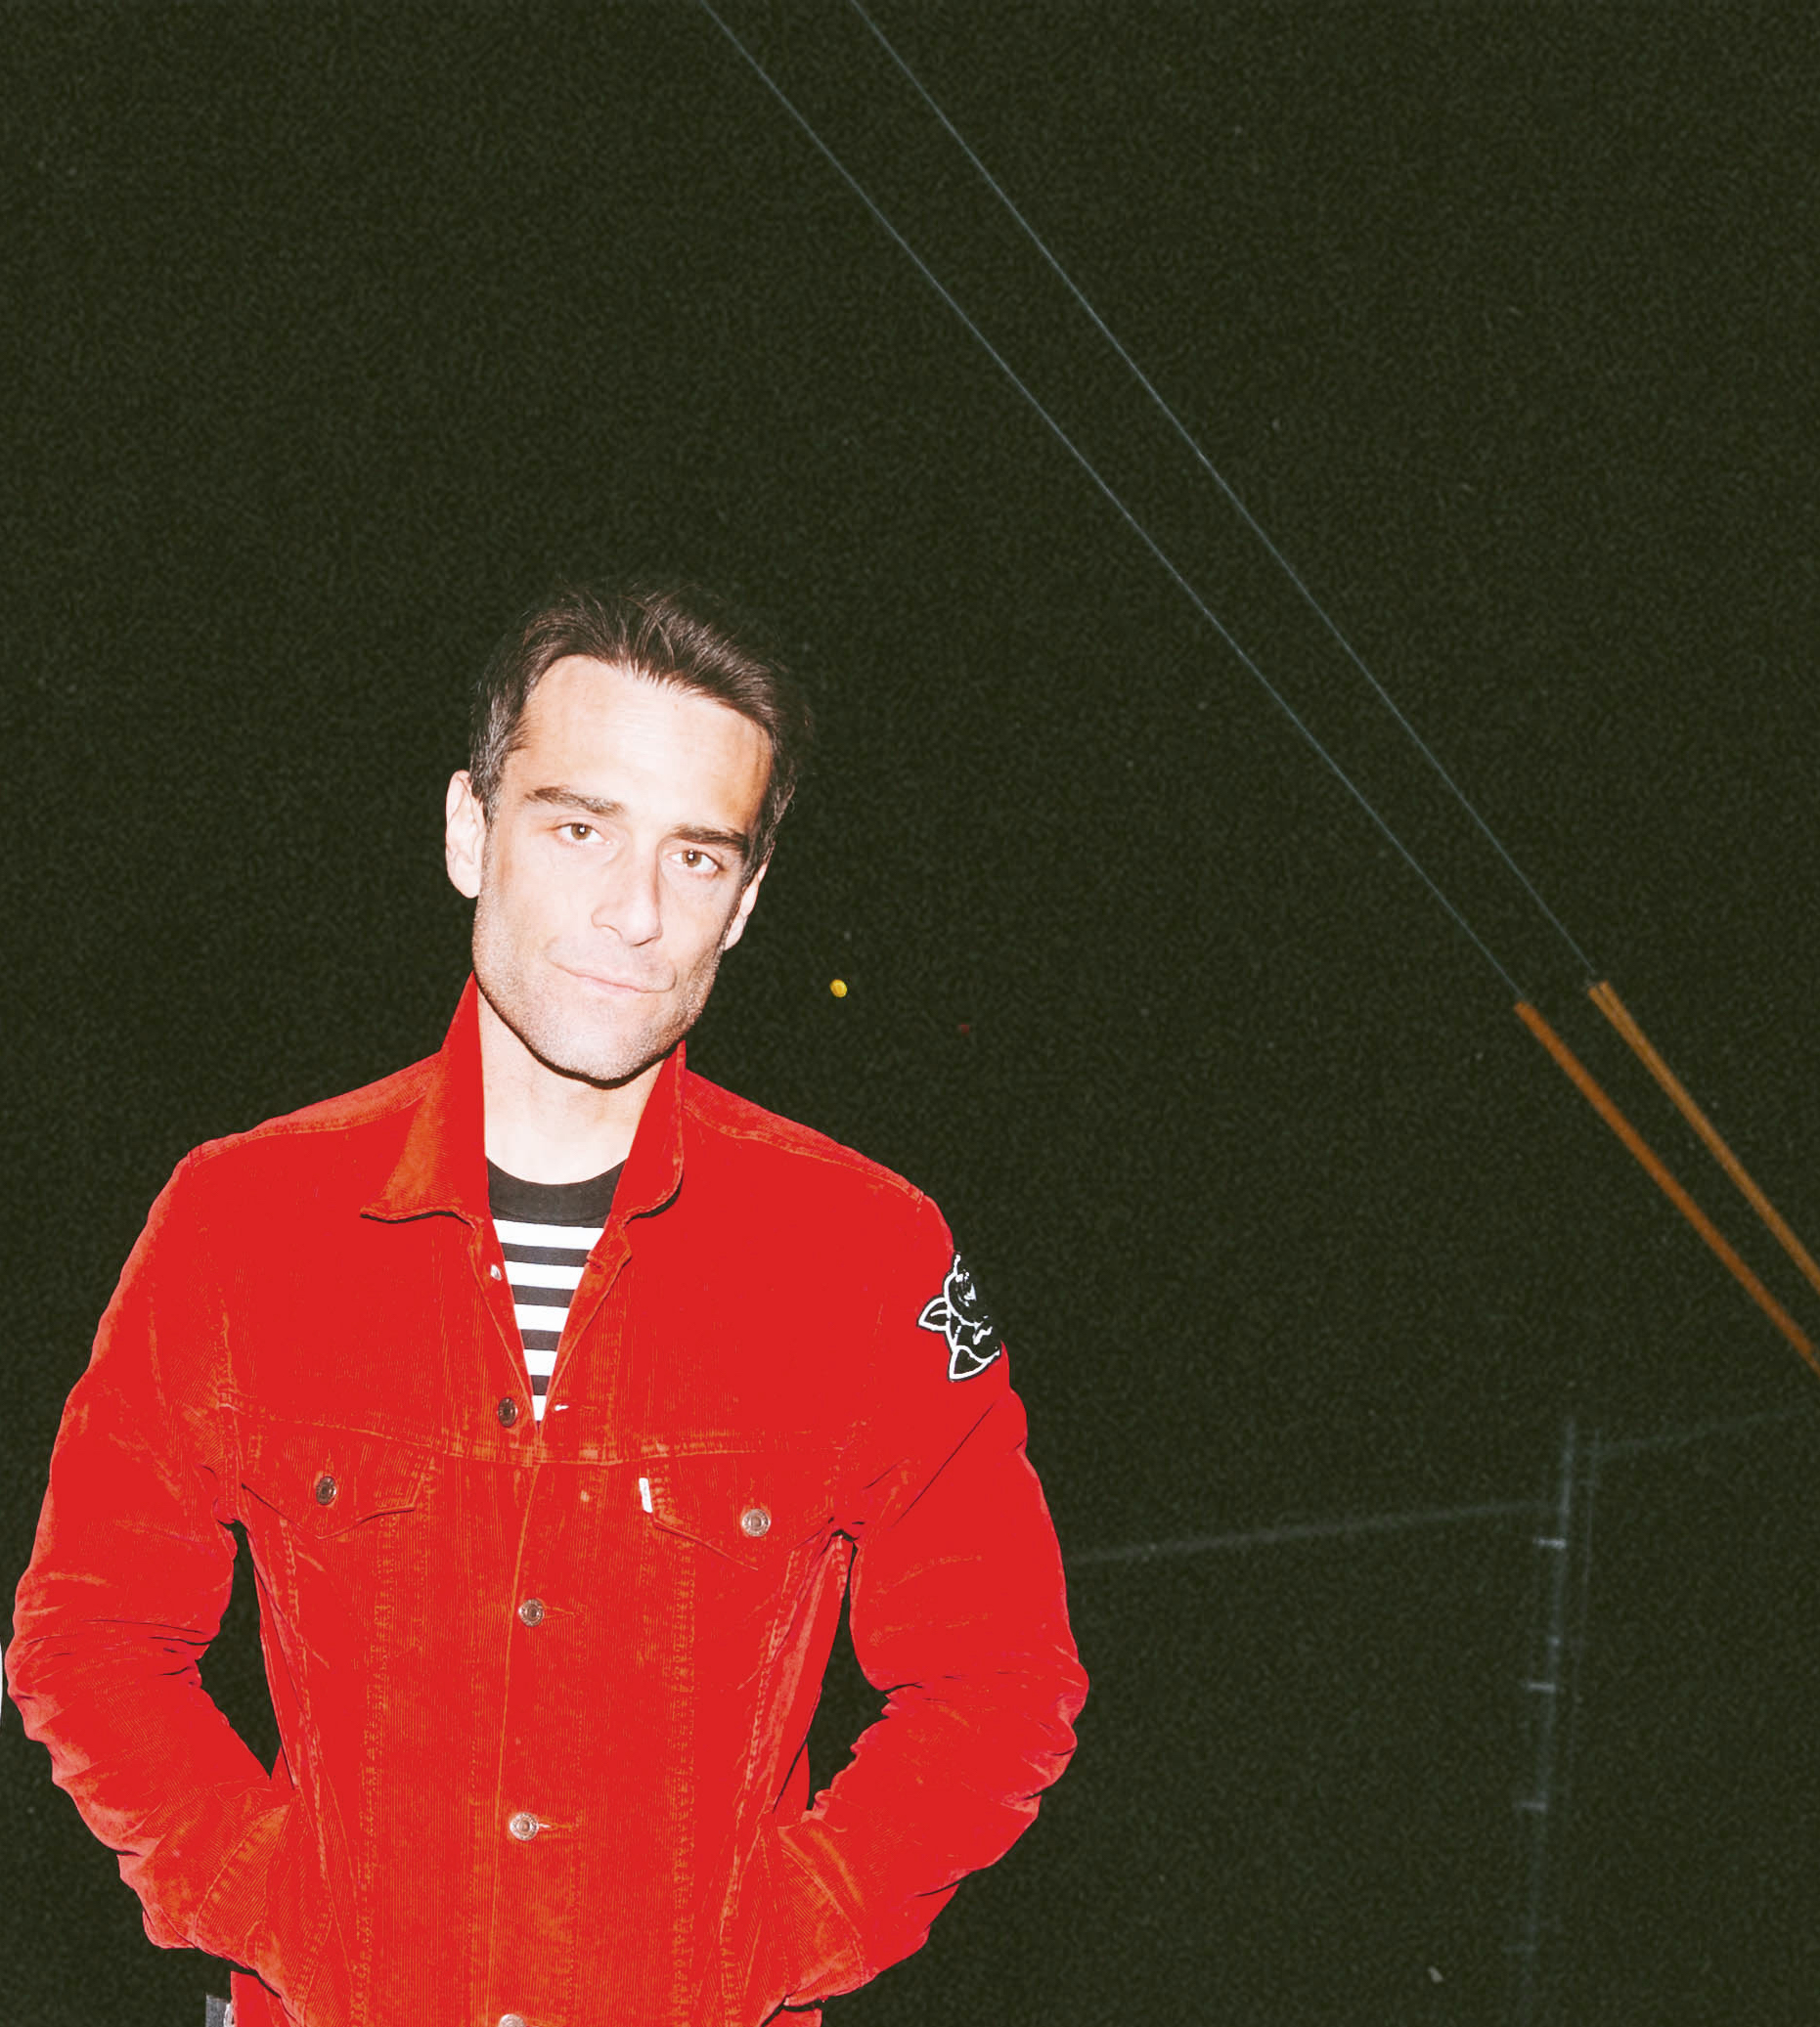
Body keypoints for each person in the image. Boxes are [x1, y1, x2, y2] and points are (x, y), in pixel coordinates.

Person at [7, 580, 1087, 2027]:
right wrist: (274, 1902)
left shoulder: (869, 1253)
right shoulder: (239, 1221)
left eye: (695, 855)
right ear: (471, 832)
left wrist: (777, 1932)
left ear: (746, 899)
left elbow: (1001, 1680)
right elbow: (87, 1638)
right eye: (580, 828)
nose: (634, 913)